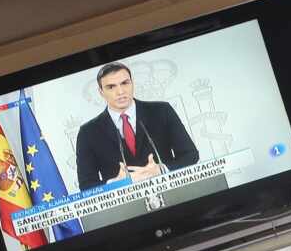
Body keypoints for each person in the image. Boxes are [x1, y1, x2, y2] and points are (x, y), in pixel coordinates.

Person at [75, 62, 199, 191]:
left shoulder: (162, 111)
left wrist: (161, 170)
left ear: (132, 83)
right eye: (111, 87)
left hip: (172, 194)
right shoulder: (88, 133)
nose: (120, 91)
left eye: (125, 83)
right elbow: (86, 185)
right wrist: (115, 183)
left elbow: (190, 155)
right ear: (101, 92)